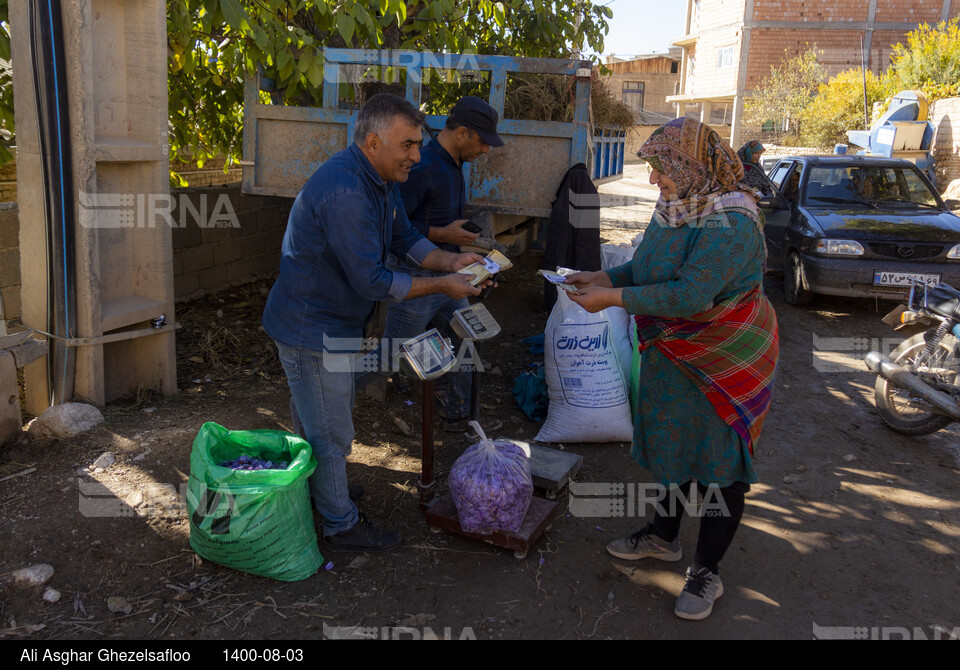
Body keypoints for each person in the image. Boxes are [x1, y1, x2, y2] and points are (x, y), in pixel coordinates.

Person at [563, 117, 780, 620]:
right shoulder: (676, 205)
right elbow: (646, 268)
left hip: (724, 356)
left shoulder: (735, 220)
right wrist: (603, 275)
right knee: (671, 445)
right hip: (670, 349)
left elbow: (690, 293)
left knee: (721, 463)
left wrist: (612, 298)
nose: (654, 180)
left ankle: (707, 571)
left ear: (691, 166)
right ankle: (663, 538)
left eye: (661, 168)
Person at [262, 94, 490, 552]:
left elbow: (406, 237)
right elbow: (372, 281)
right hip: (311, 329)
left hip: (333, 324)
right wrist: (444, 284)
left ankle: (324, 491)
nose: (416, 155)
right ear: (372, 142)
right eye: (407, 145)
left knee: (323, 421)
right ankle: (340, 524)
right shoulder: (348, 192)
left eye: (418, 144)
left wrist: (451, 261)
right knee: (329, 434)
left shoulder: (381, 180)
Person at [382, 96, 504, 426]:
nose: (485, 151)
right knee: (394, 349)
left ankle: (459, 405)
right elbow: (394, 228)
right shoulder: (422, 167)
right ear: (462, 132)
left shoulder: (452, 163)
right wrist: (443, 232)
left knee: (468, 330)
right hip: (414, 273)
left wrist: (454, 243)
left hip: (446, 272)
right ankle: (381, 401)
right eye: (482, 142)